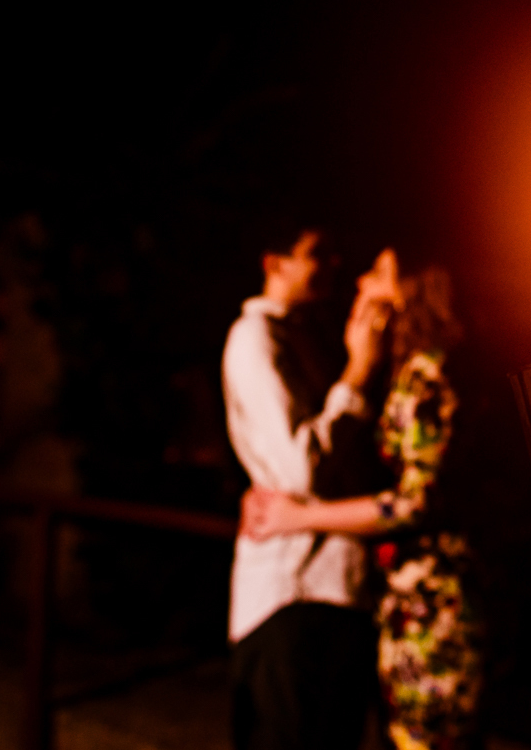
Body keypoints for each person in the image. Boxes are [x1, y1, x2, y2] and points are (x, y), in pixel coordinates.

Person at [243, 250, 484, 750]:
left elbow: (414, 501)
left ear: (409, 290)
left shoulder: (427, 375)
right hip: (402, 602)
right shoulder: (406, 371)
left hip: (433, 606)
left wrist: (299, 517)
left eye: (378, 273)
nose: (360, 279)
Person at [223, 226, 394, 750]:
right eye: (313, 254)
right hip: (294, 594)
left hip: (332, 592)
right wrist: (358, 373)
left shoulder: (307, 332)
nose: (334, 266)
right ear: (273, 261)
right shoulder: (258, 338)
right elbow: (300, 471)